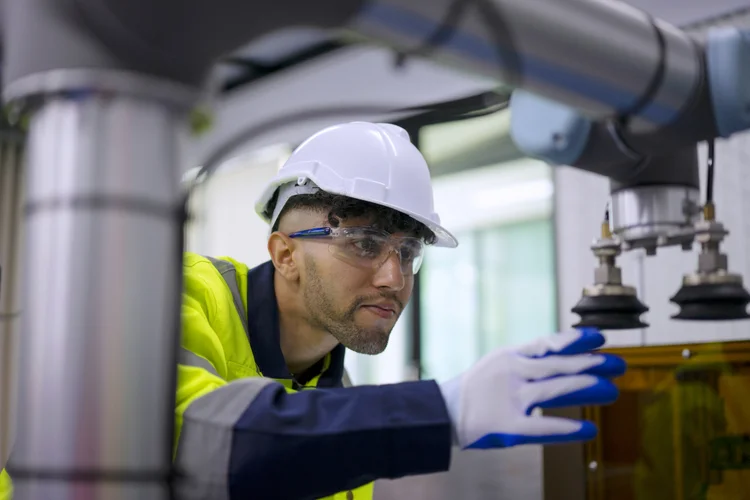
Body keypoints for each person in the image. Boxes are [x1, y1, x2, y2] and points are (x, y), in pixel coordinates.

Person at [0, 121, 626, 500]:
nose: (394, 277)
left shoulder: (335, 404)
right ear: (284, 252)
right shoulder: (169, 299)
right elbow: (198, 444)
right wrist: (442, 410)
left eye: (409, 251)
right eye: (362, 243)